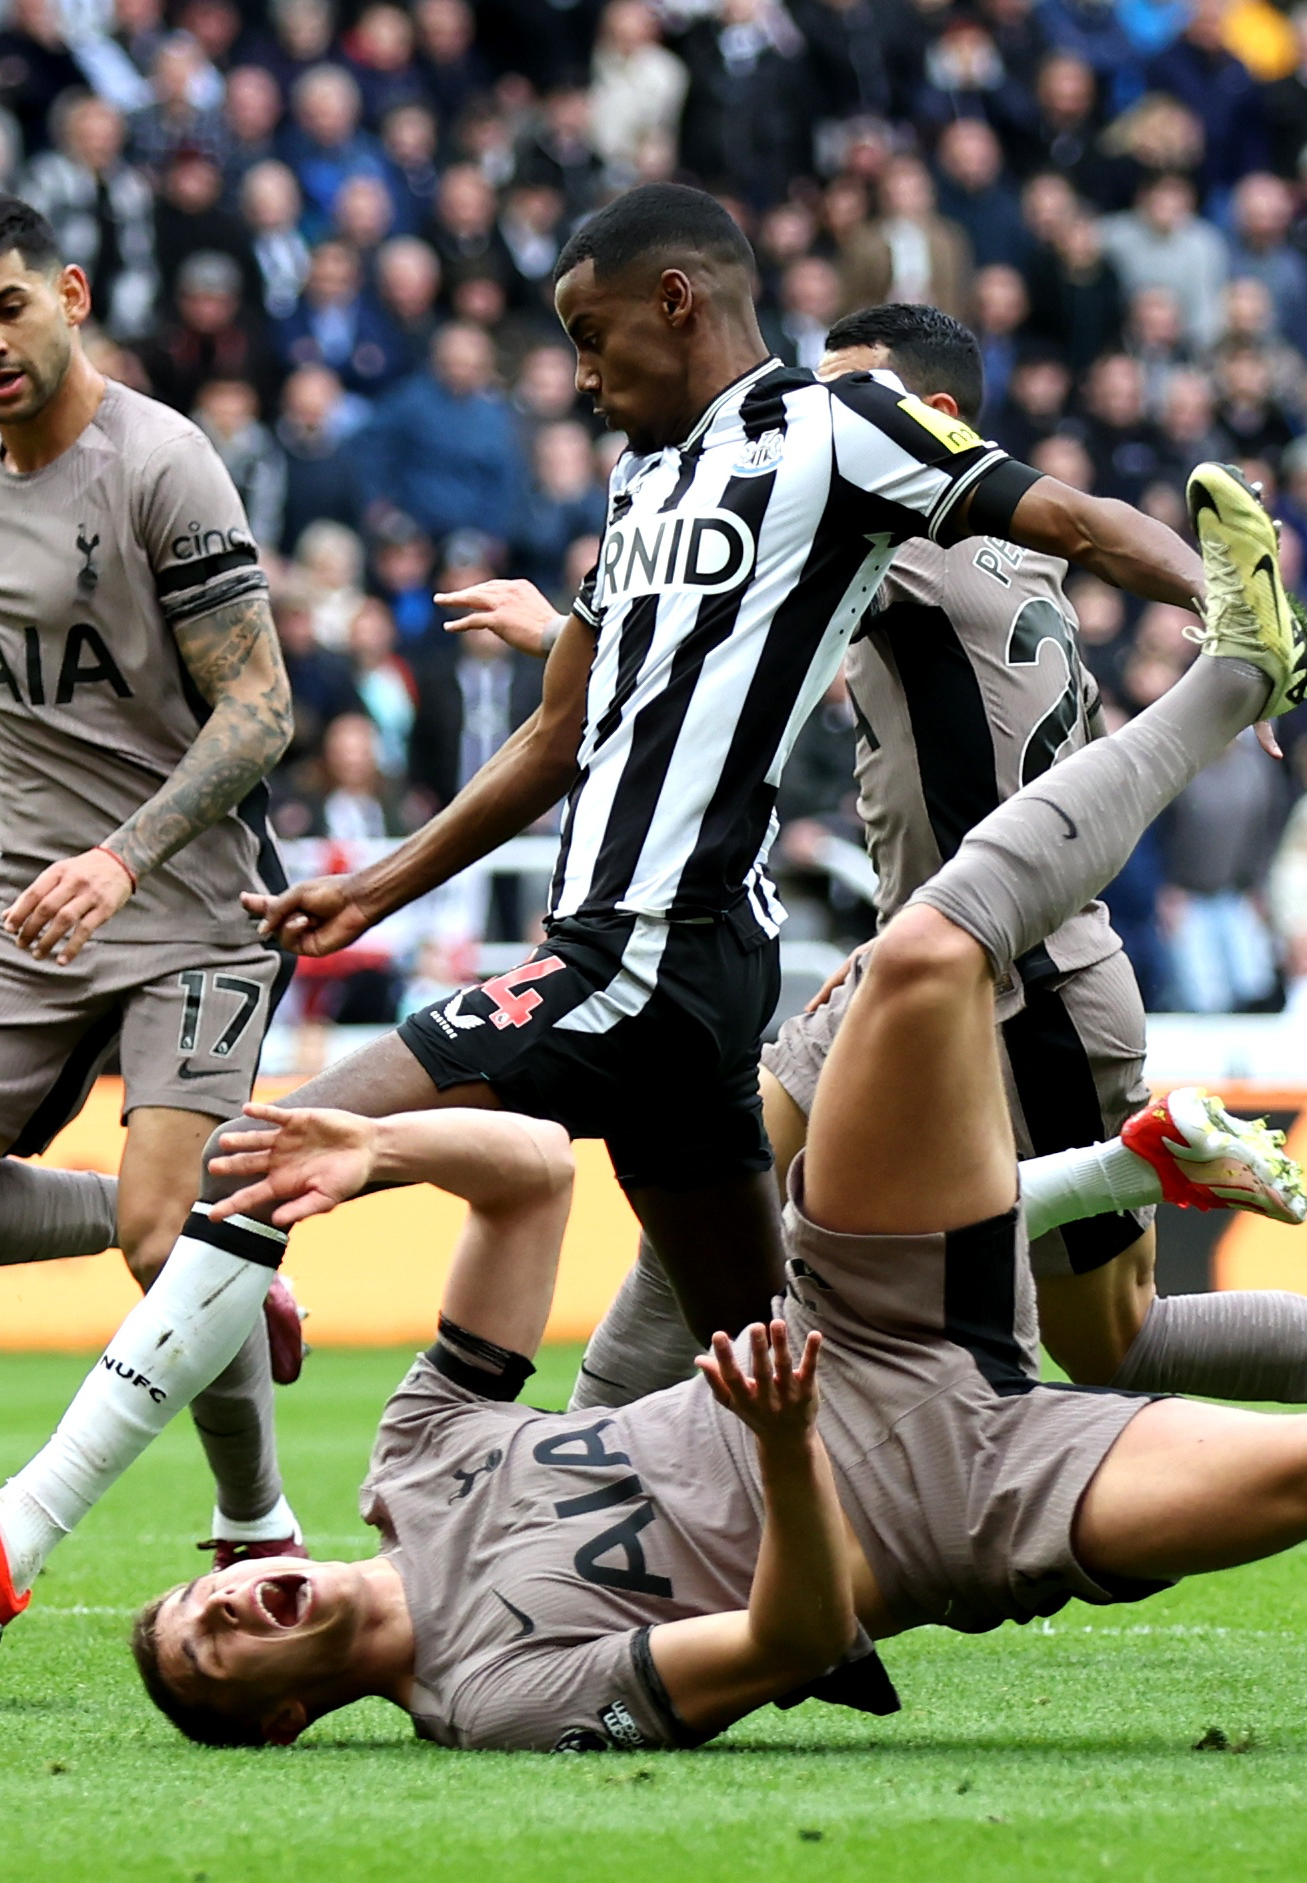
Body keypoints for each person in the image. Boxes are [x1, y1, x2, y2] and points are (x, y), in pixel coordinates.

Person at [0, 474, 1307, 1735]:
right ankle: (1118, 1166)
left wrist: (374, 1145)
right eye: (222, 1653)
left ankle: (1233, 675)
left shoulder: (411, 1459)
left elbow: (533, 1172)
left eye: (203, 1597)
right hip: (963, 1497)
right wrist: (789, 1446)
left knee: (914, 957)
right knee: (1197, 1403)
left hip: (842, 1289)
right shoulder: (488, 1699)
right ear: (288, 1714)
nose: (229, 1612)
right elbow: (792, 1637)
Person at [192, 181, 1229, 1350]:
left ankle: (247, 1517)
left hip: (987, 963)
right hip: (898, 957)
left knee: (1088, 1337)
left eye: (591, 339)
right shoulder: (663, 480)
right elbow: (654, 674)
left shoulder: (873, 488)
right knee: (765, 1320)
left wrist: (1241, 620)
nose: (582, 378)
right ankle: (754, 1500)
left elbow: (1068, 526)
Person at [0, 191, 305, 1568]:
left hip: (191, 907)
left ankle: (258, 1523)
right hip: (31, 909)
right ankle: (220, 1248)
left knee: (165, 1238)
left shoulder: (165, 462)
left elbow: (261, 709)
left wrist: (121, 852)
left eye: (8, 306)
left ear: (69, 293)